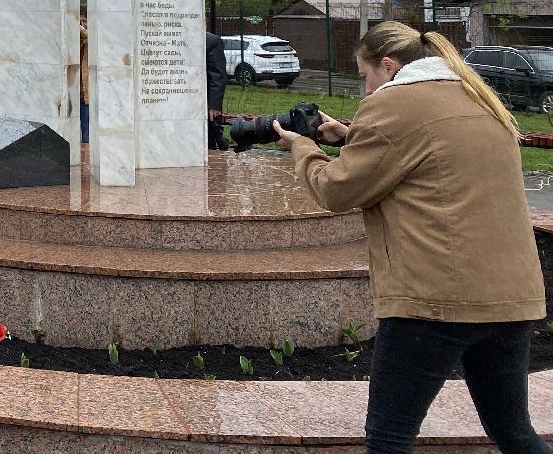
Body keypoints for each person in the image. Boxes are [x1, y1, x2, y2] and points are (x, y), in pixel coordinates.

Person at [275, 22, 548, 454]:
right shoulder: (478, 95)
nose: (366, 90)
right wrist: (352, 136)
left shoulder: (394, 103)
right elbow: (435, 151)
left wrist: (302, 148)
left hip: (434, 301)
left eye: (365, 76)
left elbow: (336, 190)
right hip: (510, 298)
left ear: (388, 66)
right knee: (514, 435)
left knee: (389, 439)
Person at [205, 31, 229, 151]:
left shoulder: (211, 41)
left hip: (205, 104)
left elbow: (218, 75)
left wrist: (214, 105)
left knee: (208, 145)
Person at [78, 6, 89, 144]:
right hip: (78, 95)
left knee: (87, 139)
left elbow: (90, 37)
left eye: (85, 21)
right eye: (80, 22)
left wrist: (82, 31)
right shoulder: (80, 40)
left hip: (89, 98)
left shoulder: (91, 38)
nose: (82, 25)